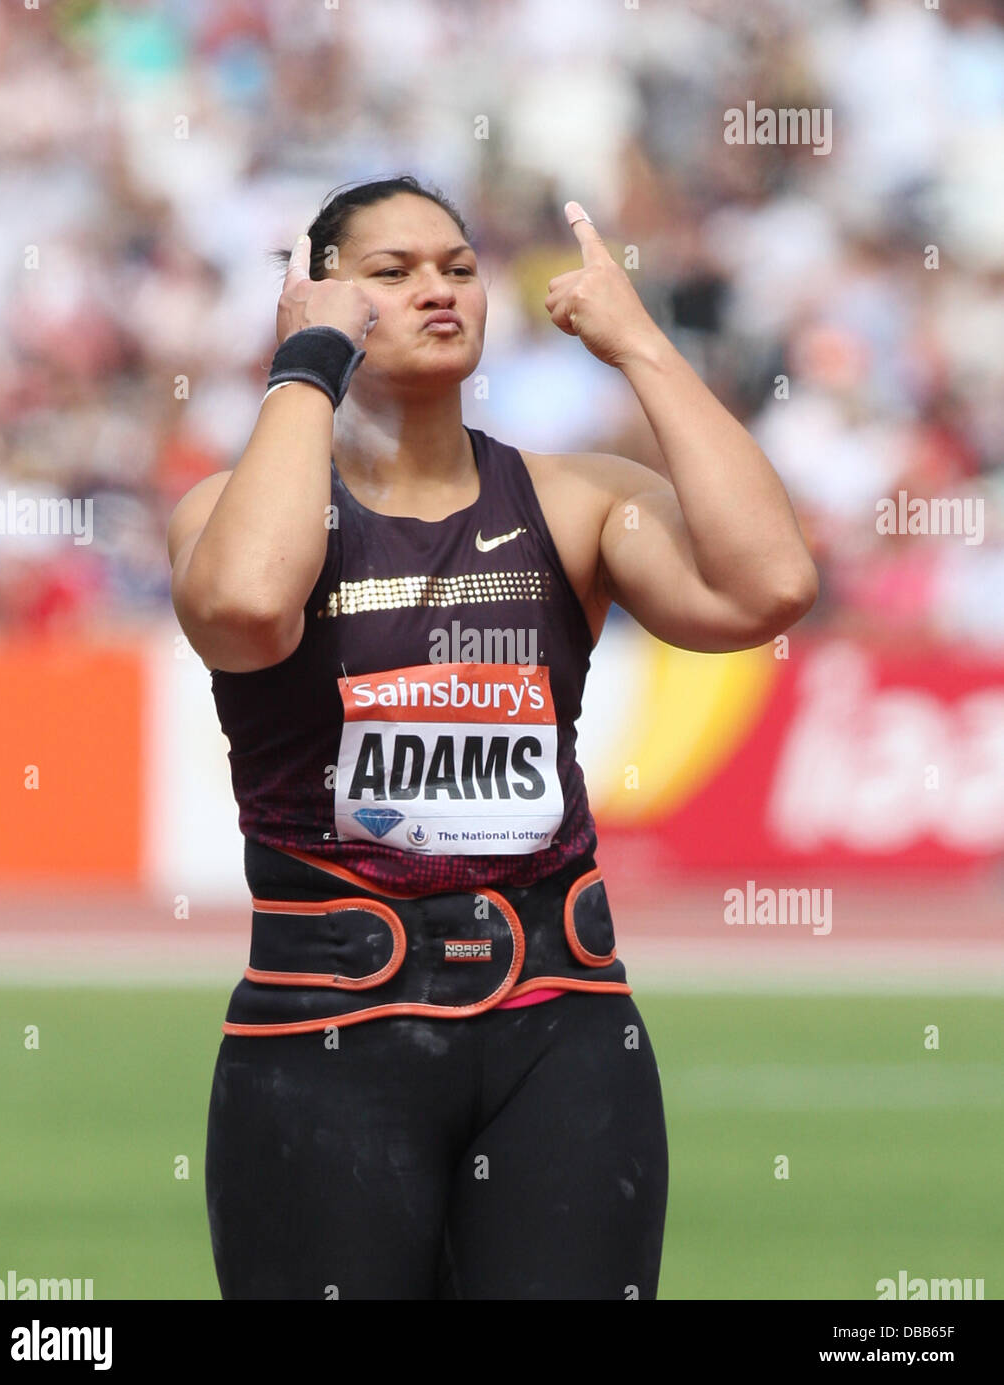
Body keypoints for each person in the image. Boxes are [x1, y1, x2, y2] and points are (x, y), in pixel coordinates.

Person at [166, 175, 818, 1300]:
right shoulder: (232, 511)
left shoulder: (572, 500)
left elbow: (765, 585)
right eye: (393, 270)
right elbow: (245, 609)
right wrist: (302, 368)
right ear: (317, 298)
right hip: (324, 1042)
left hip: (562, 1033)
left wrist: (642, 351)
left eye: (458, 268)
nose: (438, 290)